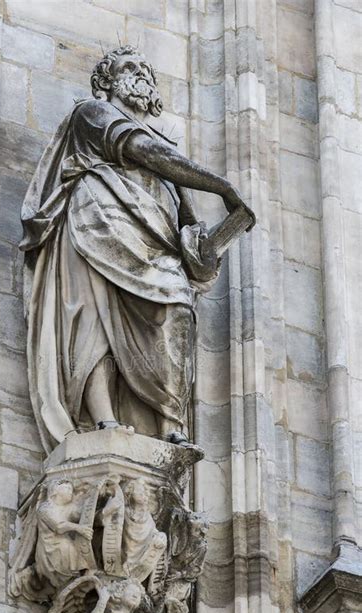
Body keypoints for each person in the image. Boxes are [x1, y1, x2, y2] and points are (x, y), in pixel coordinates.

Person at [20, 45, 255, 452]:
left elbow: (187, 220)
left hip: (154, 240)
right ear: (106, 82)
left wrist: (207, 245)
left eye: (146, 68)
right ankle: (104, 418)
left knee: (177, 309)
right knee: (95, 320)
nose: (141, 73)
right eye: (130, 67)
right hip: (98, 223)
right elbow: (146, 151)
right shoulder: (92, 113)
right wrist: (223, 186)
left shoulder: (168, 150)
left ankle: (168, 422)